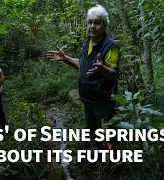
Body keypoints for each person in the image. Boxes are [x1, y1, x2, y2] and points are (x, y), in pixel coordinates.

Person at [46, 5, 119, 149]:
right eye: (90, 22)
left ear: (104, 25)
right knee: (95, 135)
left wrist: (103, 69)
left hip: (103, 102)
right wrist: (65, 58)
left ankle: (113, 166)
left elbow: (114, 73)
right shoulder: (87, 42)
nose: (92, 26)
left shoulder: (111, 46)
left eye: (97, 23)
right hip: (88, 100)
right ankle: (100, 162)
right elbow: (83, 65)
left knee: (109, 137)